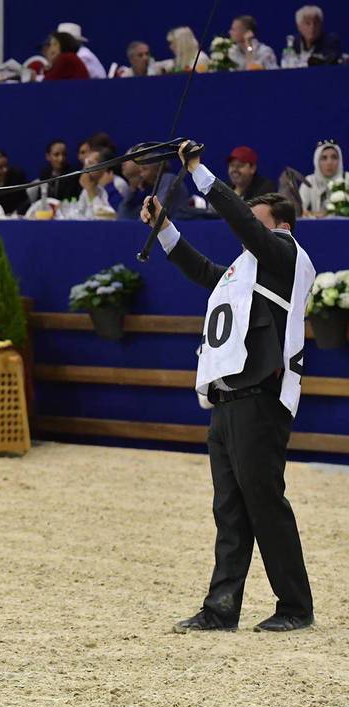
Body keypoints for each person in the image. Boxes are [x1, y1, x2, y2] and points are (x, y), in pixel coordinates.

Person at [141, 140, 316, 635]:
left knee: (265, 503)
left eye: (253, 221)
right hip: (227, 400)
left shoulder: (284, 254)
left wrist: (199, 174)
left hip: (259, 398)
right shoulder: (246, 275)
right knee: (231, 509)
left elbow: (241, 222)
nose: (245, 233)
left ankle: (295, 605)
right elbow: (203, 271)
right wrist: (165, 229)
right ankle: (221, 608)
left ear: (280, 226)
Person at [116, 144, 185, 220]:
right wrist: (133, 190)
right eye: (141, 170)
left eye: (145, 169)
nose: (141, 174)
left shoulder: (168, 179)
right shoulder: (144, 186)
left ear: (158, 170)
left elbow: (155, 213)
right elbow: (123, 216)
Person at [299, 140, 343, 216]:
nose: (329, 162)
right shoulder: (309, 181)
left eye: (334, 157)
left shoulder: (346, 180)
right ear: (316, 161)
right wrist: (312, 214)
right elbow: (298, 210)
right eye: (324, 158)